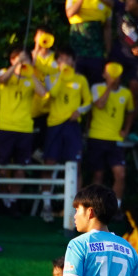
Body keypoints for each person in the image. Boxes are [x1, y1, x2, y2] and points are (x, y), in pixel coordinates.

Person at [44, 49, 93, 220]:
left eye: (68, 59)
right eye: (61, 59)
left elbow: (88, 101)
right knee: (49, 164)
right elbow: (53, 94)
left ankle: (76, 209)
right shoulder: (51, 77)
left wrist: (80, 110)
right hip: (54, 125)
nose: (64, 62)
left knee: (76, 165)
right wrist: (61, 76)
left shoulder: (80, 80)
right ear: (57, 62)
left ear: (73, 61)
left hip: (72, 126)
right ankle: (46, 205)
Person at [0, 49, 45, 215]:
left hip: (25, 129)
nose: (23, 62)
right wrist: (17, 64)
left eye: (26, 60)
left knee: (21, 168)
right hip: (5, 127)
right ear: (12, 60)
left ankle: (13, 201)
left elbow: (43, 93)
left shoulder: (31, 78)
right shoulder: (4, 72)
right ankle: (3, 200)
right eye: (19, 59)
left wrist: (30, 72)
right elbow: (2, 80)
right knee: (2, 168)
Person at [88, 62, 135, 208]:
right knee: (98, 175)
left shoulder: (126, 93)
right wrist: (109, 86)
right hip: (97, 137)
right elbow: (100, 104)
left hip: (116, 140)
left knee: (120, 174)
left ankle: (116, 207)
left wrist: (126, 130)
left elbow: (131, 112)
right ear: (104, 75)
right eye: (109, 73)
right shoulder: (96, 88)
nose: (114, 76)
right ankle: (95, 208)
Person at [65, 0, 113, 84]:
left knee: (96, 83)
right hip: (77, 48)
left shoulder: (105, 2)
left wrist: (108, 52)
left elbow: (107, 29)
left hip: (96, 51)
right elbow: (70, 13)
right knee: (75, 82)